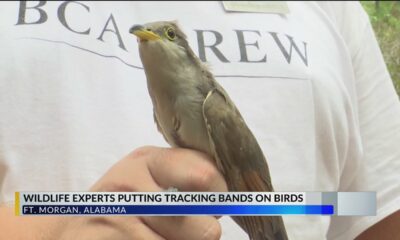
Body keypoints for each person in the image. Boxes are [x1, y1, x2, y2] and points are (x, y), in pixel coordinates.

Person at [0, 1, 399, 239]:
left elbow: (379, 213)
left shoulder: (332, 9)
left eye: (166, 35)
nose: (150, 36)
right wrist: (50, 231)